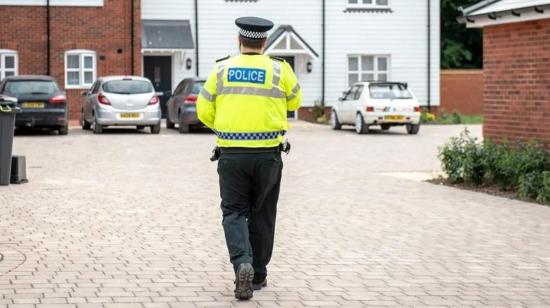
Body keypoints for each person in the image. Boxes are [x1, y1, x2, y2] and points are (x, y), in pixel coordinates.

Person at [196, 16, 302, 300]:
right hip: (269, 155)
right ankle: (257, 275)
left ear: (239, 40)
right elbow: (295, 102)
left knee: (234, 212)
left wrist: (226, 127)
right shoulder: (281, 69)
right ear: (265, 41)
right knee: (263, 213)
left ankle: (241, 262)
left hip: (231, 155)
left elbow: (203, 111)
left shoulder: (221, 69)